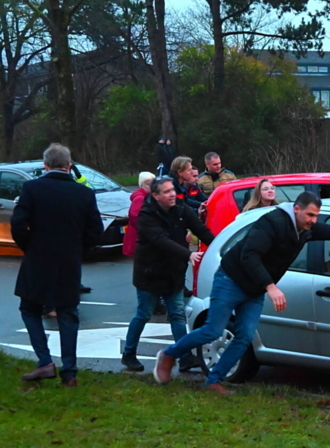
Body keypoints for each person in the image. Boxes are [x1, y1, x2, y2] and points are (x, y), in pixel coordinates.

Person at [153, 192, 330, 394]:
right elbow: (249, 255)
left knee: (245, 335)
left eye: (315, 216)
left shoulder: (305, 228)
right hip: (231, 280)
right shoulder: (272, 222)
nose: (313, 220)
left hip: (254, 288)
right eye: (309, 215)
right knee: (214, 329)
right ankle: (168, 355)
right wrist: (271, 286)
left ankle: (214, 380)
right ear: (296, 209)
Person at [12, 143, 103, 387]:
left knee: (29, 308)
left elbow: (18, 225)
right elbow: (96, 231)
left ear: (46, 165)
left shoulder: (32, 188)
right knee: (68, 314)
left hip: (38, 259)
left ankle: (44, 360)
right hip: (69, 261)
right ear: (69, 165)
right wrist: (79, 250)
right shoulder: (84, 194)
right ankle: (70, 371)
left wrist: (29, 247)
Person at [121, 177, 215, 373]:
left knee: (177, 315)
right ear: (155, 196)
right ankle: (128, 354)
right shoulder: (146, 215)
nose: (172, 194)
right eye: (166, 192)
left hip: (173, 272)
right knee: (144, 313)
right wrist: (188, 254)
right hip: (150, 273)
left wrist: (220, 247)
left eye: (172, 190)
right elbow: (160, 240)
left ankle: (185, 358)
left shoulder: (180, 209)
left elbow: (201, 229)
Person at [123, 171, 156, 257]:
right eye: (149, 184)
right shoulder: (140, 198)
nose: (153, 186)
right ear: (142, 185)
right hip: (139, 236)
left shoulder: (149, 196)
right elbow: (135, 217)